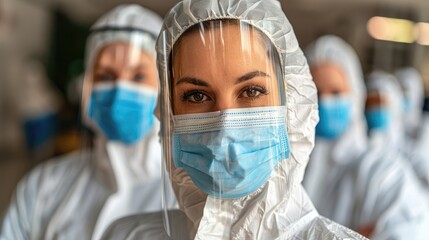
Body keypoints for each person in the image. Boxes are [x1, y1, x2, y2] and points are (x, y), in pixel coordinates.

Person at [101, 1, 367, 239]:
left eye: (251, 91)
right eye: (196, 96)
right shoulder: (127, 234)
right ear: (168, 114)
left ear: (294, 105)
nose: (224, 126)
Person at [0, 4, 176, 240]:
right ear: (87, 86)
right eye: (105, 76)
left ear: (164, 88)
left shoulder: (187, 197)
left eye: (138, 76)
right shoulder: (43, 188)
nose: (118, 90)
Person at [303, 35, 429, 239]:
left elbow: (411, 231)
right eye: (315, 93)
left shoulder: (381, 170)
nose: (324, 101)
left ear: (354, 94)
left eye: (336, 92)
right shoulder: (288, 170)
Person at [395, 67, 429, 185]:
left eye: (406, 91)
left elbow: (420, 160)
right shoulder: (392, 123)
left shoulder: (425, 126)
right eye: (399, 91)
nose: (402, 96)